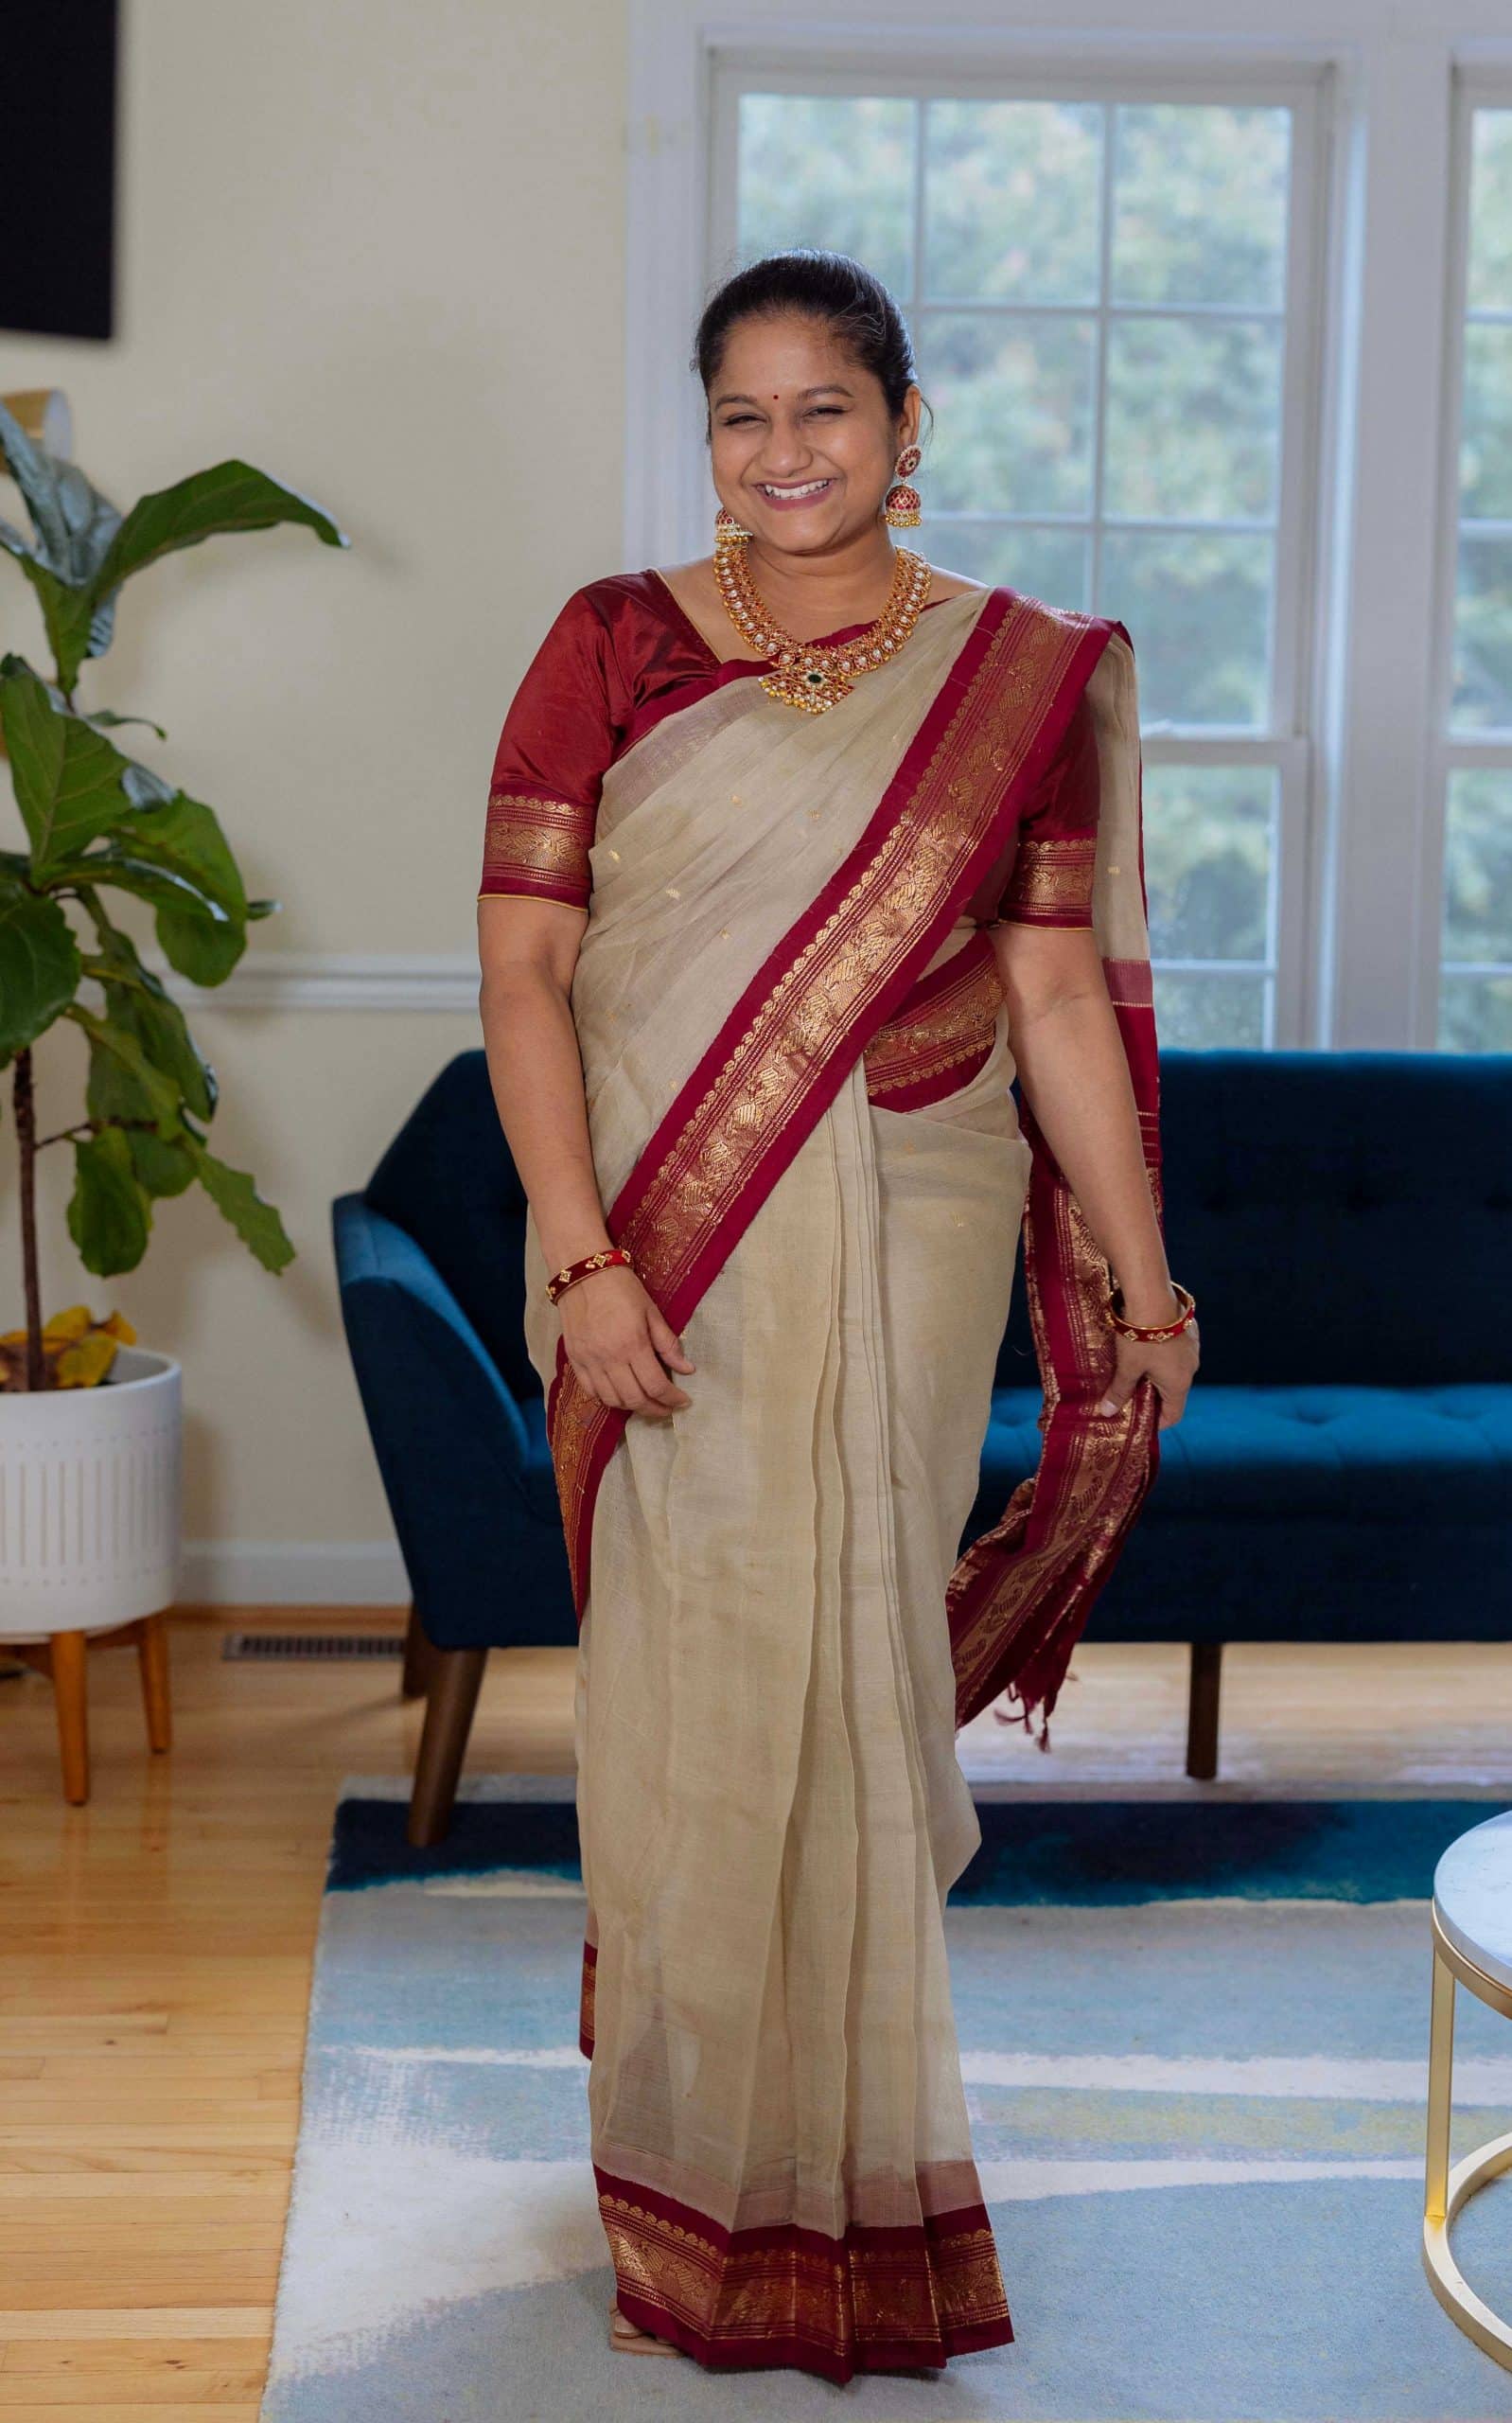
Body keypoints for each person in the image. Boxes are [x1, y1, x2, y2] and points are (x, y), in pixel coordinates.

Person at [475, 249, 1199, 2383]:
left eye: (826, 410)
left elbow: (1055, 988)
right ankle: (692, 2166)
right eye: (741, 413)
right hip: (663, 1243)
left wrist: (1144, 1270)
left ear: (904, 428)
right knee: (689, 1689)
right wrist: (585, 1255)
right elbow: (527, 976)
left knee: (855, 1663)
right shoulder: (605, 647)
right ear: (705, 439)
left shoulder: (1017, 675)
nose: (783, 451)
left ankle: (861, 2174)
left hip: (921, 1203)